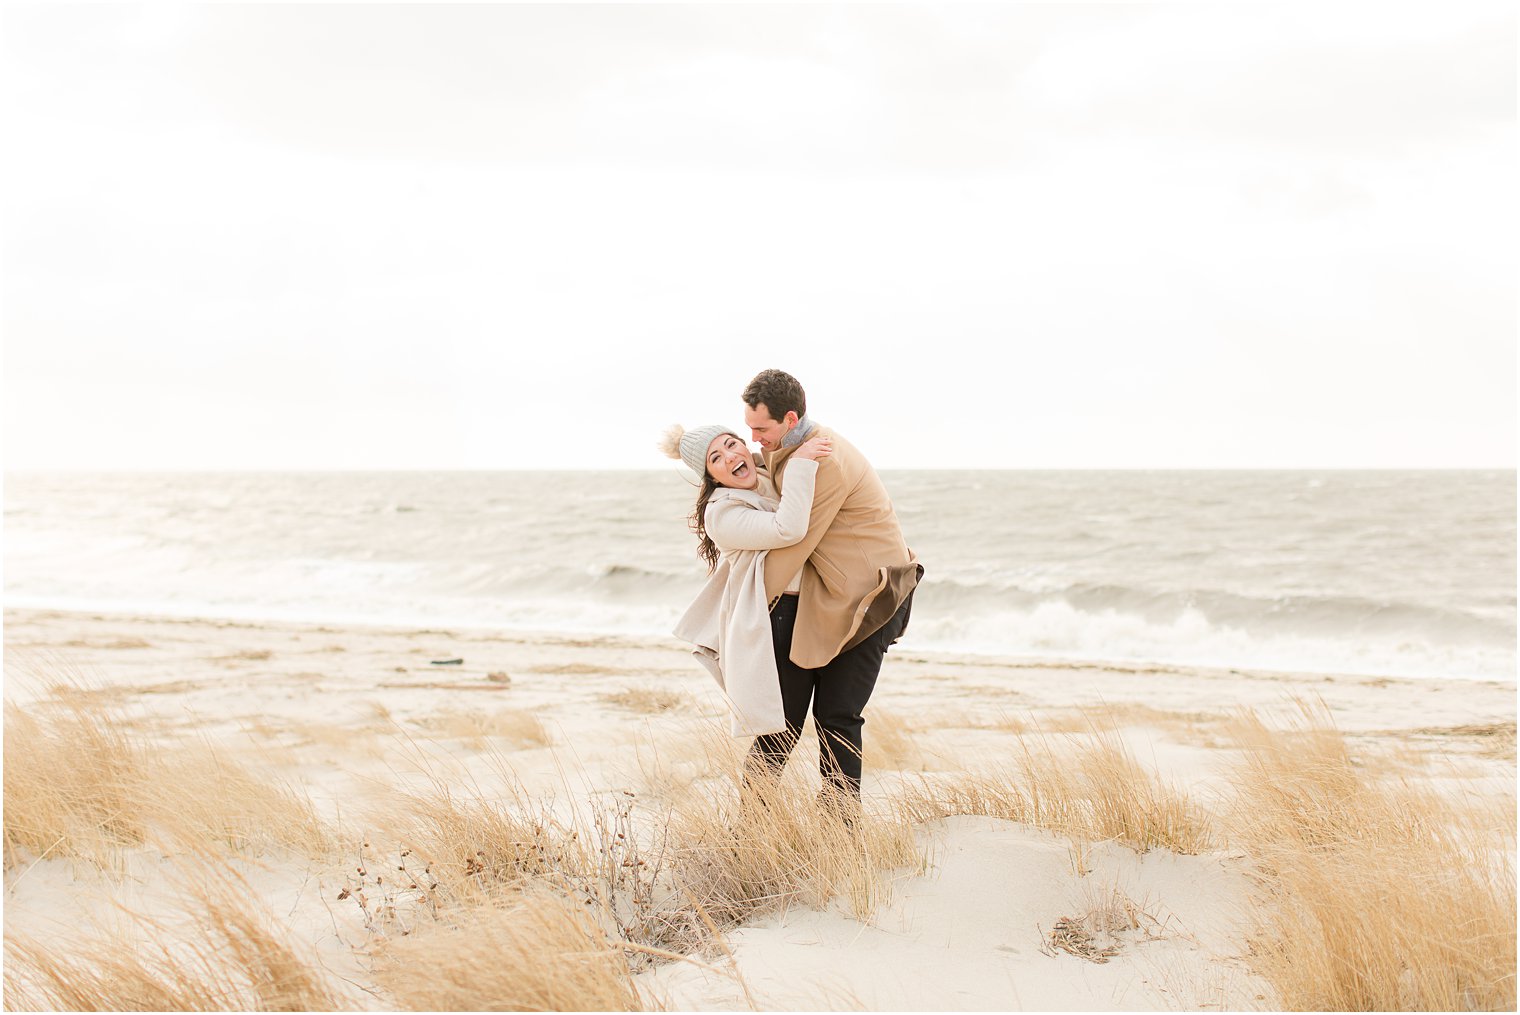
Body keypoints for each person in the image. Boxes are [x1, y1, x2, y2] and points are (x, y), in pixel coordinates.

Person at [739, 369, 921, 806]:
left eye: (760, 428)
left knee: (837, 719)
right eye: (748, 428)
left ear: (788, 417)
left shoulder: (824, 459)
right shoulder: (792, 446)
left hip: (872, 601)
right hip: (830, 601)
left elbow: (794, 539)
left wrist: (741, 608)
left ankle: (840, 832)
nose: (754, 438)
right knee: (782, 722)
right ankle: (749, 827)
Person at [664, 422, 834, 738]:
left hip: (815, 603)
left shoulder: (770, 474)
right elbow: (788, 529)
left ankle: (836, 788)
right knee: (783, 730)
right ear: (712, 477)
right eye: (715, 458)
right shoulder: (722, 514)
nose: (729, 457)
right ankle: (755, 791)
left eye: (731, 444)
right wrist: (801, 463)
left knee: (834, 715)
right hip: (776, 614)